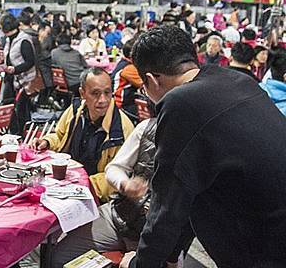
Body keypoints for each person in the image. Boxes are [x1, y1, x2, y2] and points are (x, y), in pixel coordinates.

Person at [120, 25, 286, 268]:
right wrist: (170, 255)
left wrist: (139, 264)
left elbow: (166, 204)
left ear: (152, 80)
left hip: (262, 249)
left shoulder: (180, 102)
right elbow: (191, 186)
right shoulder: (235, 78)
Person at [52, 119, 162, 267]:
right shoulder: (147, 127)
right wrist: (125, 184)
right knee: (59, 257)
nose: (101, 101)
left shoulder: (195, 142)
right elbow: (114, 168)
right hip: (120, 214)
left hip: (157, 236)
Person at [33, 68, 134, 202]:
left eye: (107, 92)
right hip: (67, 181)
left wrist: (84, 185)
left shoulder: (122, 130)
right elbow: (59, 136)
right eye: (95, 93)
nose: (103, 100)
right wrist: (47, 141)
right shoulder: (76, 110)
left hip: (94, 196)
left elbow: (119, 176)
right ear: (82, 93)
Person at [1, 13, 39, 135]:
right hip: (10, 78)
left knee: (22, 109)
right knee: (7, 105)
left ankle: (22, 134)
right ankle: (13, 132)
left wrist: (15, 69)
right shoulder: (8, 39)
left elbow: (30, 62)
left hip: (24, 80)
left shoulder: (24, 40)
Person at [111, 38, 143, 119]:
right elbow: (144, 84)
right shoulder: (129, 68)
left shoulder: (124, 62)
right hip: (121, 105)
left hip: (123, 101)